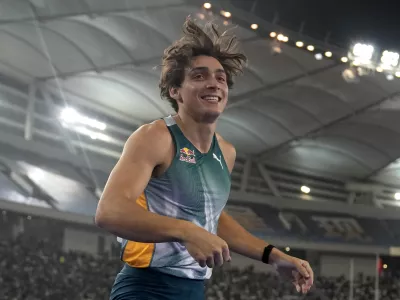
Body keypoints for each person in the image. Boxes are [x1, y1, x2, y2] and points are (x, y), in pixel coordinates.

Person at [95, 18, 314, 300]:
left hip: (194, 291)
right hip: (146, 288)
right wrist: (186, 231)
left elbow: (210, 218)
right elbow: (109, 211)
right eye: (199, 76)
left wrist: (273, 255)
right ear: (175, 92)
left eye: (220, 78)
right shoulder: (155, 137)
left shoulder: (227, 153)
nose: (213, 83)